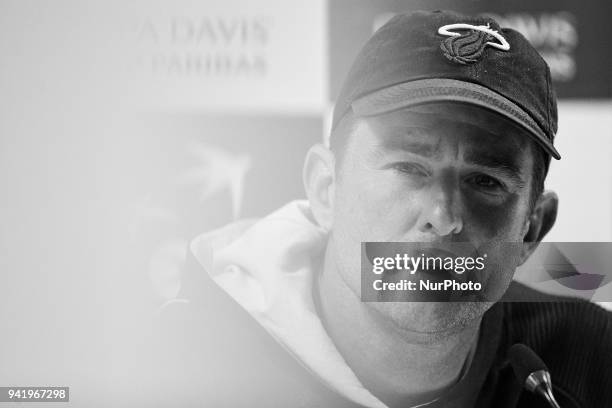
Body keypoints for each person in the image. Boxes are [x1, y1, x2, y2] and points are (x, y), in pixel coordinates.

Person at [150, 10, 612, 408]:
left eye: (484, 182)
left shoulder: (593, 363)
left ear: (531, 231)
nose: (444, 215)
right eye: (408, 167)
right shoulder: (173, 368)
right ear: (326, 189)